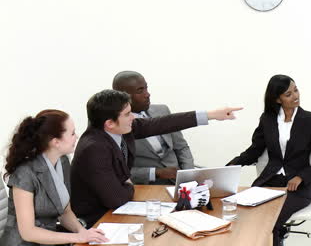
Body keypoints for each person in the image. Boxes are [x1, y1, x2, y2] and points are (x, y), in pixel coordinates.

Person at [71, 89, 241, 227]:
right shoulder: (94, 148)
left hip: (119, 210)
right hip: (98, 220)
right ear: (109, 123)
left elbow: (162, 123)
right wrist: (127, 183)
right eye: (128, 114)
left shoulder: (119, 129)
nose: (134, 117)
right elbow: (115, 198)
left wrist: (211, 114)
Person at [227, 75, 311, 246]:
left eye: (296, 90)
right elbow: (255, 150)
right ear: (277, 99)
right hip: (270, 182)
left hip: (298, 186)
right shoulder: (267, 119)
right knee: (243, 215)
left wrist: (301, 177)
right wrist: (232, 165)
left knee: (270, 220)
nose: (295, 96)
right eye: (288, 94)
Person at [0, 110, 108, 246]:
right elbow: (28, 232)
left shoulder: (62, 162)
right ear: (56, 142)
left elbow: (65, 212)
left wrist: (83, 232)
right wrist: (77, 238)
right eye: (72, 133)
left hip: (50, 241)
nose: (77, 137)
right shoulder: (25, 173)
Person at [112, 71, 194, 185]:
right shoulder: (115, 126)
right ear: (122, 96)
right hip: (147, 186)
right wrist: (155, 172)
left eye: (146, 88)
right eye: (140, 91)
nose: (147, 94)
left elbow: (181, 147)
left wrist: (188, 175)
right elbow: (117, 172)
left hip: (180, 182)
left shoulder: (162, 110)